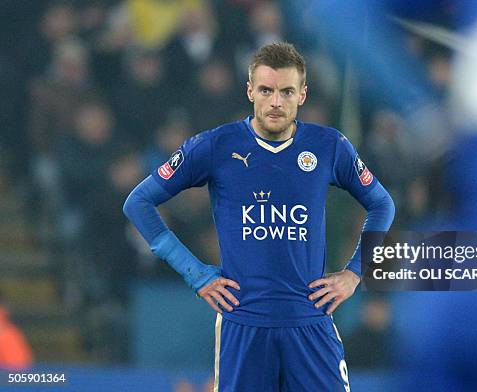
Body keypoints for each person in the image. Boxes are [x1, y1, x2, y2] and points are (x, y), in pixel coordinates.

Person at [123, 42, 395, 392]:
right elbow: (139, 203)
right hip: (243, 324)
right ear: (250, 90)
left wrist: (355, 273)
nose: (276, 102)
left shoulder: (329, 146)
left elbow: (382, 204)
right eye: (266, 90)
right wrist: (195, 274)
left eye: (287, 91)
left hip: (310, 322)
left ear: (303, 95)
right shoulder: (214, 146)